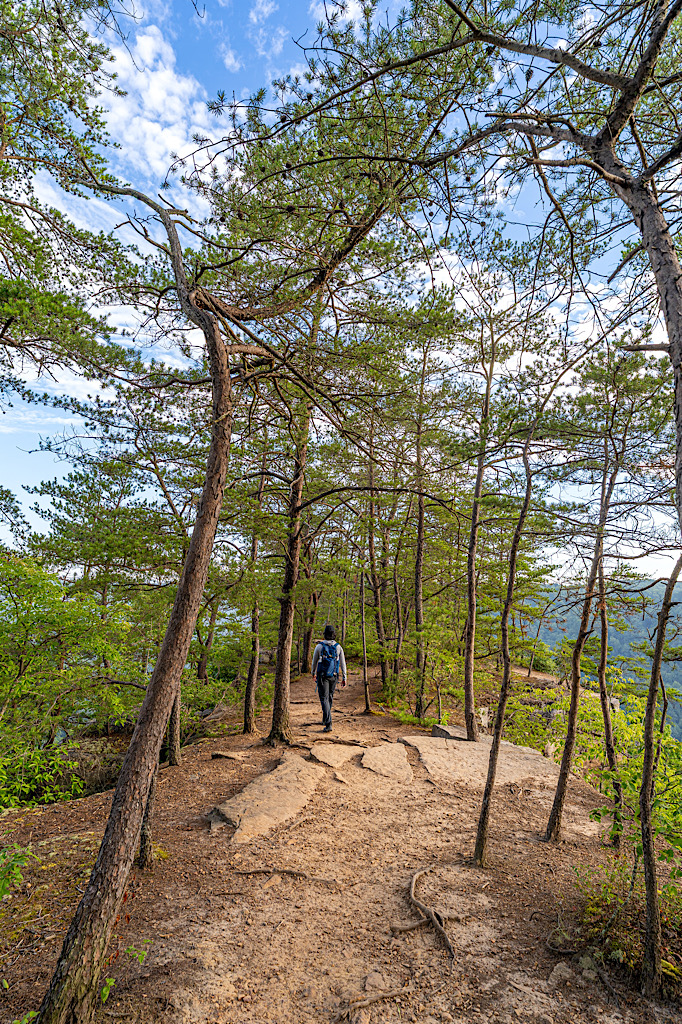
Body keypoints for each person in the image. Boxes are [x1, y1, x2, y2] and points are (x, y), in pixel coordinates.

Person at [311, 624, 347, 733]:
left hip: (322, 676)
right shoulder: (338, 647)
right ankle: (326, 719)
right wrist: (345, 677)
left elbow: (314, 662)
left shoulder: (319, 646)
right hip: (334, 676)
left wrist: (313, 673)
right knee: (329, 697)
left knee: (324, 698)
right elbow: (343, 663)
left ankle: (328, 723)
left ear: (325, 634)